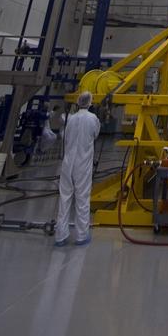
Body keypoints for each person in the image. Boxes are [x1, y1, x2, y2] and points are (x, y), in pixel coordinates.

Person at [54, 91, 101, 247]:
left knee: (64, 197)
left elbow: (66, 137)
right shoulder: (93, 119)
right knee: (82, 198)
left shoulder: (71, 119)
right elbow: (95, 135)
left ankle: (60, 235)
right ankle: (81, 235)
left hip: (67, 164)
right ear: (90, 103)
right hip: (82, 163)